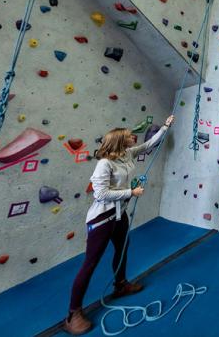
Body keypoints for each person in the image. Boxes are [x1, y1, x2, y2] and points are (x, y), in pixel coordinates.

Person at [64, 115, 175, 335]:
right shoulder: (104, 164)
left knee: (122, 249)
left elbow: (148, 145)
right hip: (102, 218)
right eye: (128, 136)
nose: (132, 137)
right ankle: (73, 313)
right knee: (90, 263)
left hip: (119, 215)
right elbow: (101, 193)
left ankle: (121, 285)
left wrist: (165, 127)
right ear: (119, 142)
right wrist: (130, 192)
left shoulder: (126, 154)